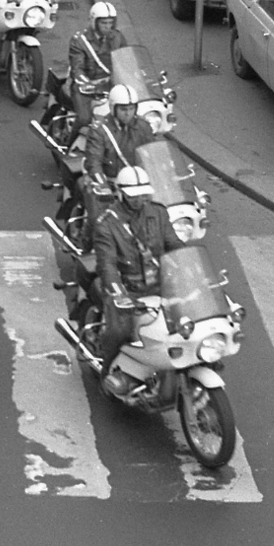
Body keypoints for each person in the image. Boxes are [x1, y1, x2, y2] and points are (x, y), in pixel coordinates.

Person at [92, 166, 184, 394]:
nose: (139, 200)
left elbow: (173, 244)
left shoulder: (158, 213)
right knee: (119, 333)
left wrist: (190, 266)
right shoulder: (106, 223)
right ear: (121, 193)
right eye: (133, 196)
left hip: (160, 286)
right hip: (128, 290)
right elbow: (107, 264)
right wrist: (119, 293)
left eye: (143, 195)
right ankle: (106, 372)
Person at [67, 0, 126, 127]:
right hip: (87, 87)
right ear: (94, 22)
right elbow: (77, 68)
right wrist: (86, 83)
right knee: (84, 119)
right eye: (104, 23)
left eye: (110, 23)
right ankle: (71, 139)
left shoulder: (117, 37)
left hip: (111, 83)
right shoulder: (80, 41)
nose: (108, 27)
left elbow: (126, 59)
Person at [85, 83, 157, 184]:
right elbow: (94, 163)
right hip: (113, 183)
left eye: (131, 108)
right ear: (113, 108)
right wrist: (103, 185)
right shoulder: (100, 130)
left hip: (141, 182)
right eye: (123, 109)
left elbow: (154, 155)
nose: (128, 113)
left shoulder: (143, 126)